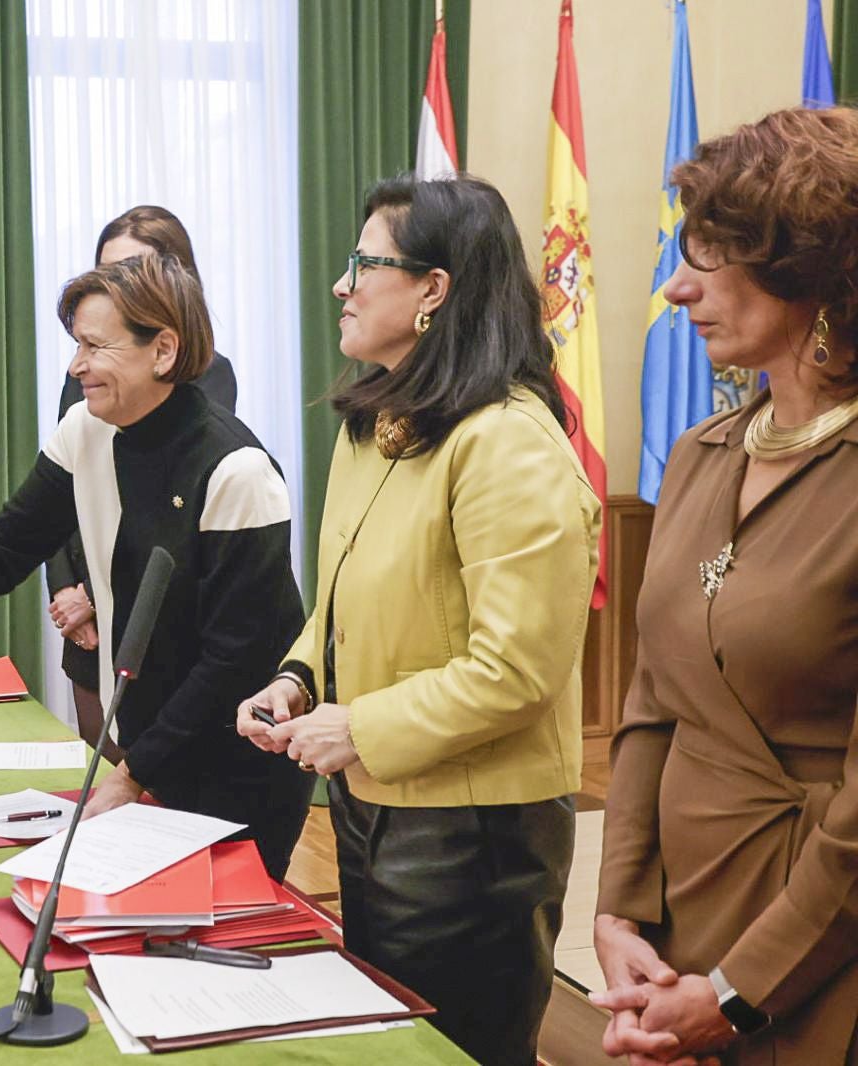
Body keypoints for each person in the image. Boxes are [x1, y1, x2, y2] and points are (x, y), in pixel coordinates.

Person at [236, 174, 601, 1066]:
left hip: (473, 834)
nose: (342, 284)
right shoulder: (379, 423)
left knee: (454, 1051)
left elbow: (516, 670)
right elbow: (340, 601)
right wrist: (297, 680)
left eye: (365, 262)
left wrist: (358, 724)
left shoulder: (506, 439)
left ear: (434, 289)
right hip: (374, 801)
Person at [0, 252, 312, 879]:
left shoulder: (237, 469)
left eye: (93, 346)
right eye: (74, 344)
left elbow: (232, 662)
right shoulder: (86, 429)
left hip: (235, 765)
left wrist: (134, 774)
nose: (74, 366)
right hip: (149, 749)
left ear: (162, 350)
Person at [592, 107, 858, 1066]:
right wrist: (620, 913)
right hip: (676, 936)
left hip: (821, 947)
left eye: (706, 260)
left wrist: (741, 993)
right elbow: (652, 700)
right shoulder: (703, 456)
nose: (675, 288)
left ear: (808, 272)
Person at [47, 206, 236, 761]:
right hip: (85, 615)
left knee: (148, 790)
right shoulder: (84, 373)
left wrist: (104, 595)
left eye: (130, 272)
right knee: (98, 780)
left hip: (145, 613)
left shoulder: (208, 378)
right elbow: (63, 482)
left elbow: (165, 512)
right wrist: (65, 589)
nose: (113, 288)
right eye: (105, 273)